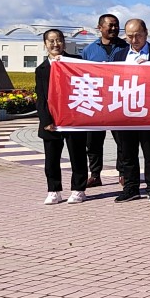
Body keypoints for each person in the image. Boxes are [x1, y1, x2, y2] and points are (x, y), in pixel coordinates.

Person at [112, 19, 150, 203]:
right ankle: (131, 188)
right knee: (127, 153)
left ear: (146, 33)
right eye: (130, 36)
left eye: (138, 35)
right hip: (126, 110)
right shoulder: (119, 55)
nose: (134, 40)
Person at [36, 29, 90, 205]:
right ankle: (54, 191)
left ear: (64, 42)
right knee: (51, 159)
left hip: (73, 118)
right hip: (52, 121)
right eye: (51, 41)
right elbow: (41, 98)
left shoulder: (76, 62)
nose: (55, 44)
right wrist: (46, 121)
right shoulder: (41, 69)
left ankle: (79, 190)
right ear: (45, 44)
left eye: (59, 40)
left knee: (77, 155)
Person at [80, 13, 127, 187]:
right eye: (110, 25)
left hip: (118, 100)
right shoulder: (89, 50)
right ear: (99, 28)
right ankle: (95, 174)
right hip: (96, 101)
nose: (114, 28)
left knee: (122, 141)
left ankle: (123, 173)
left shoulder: (126, 48)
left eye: (116, 25)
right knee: (93, 141)